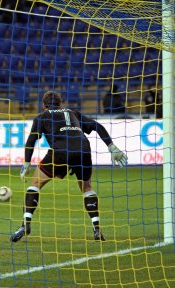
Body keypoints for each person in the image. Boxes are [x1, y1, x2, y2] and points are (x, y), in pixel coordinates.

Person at [10, 91, 128, 243]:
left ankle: (25, 225)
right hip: (83, 150)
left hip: (60, 152)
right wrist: (111, 147)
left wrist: (26, 163)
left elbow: (31, 140)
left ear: (43, 105)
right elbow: (97, 126)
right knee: (87, 187)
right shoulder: (73, 113)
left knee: (35, 184)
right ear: (61, 104)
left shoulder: (42, 117)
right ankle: (97, 228)